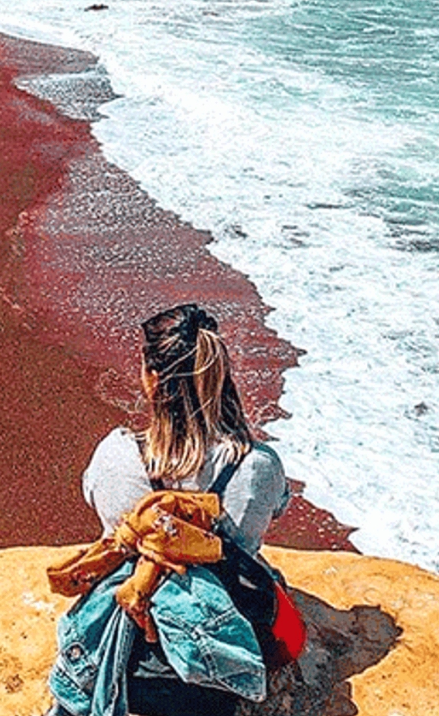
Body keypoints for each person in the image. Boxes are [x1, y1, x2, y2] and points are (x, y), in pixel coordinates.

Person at [81, 302, 290, 716]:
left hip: (129, 648)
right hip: (223, 638)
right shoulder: (258, 466)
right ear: (218, 375)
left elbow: (93, 495)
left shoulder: (114, 455)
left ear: (152, 378)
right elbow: (278, 506)